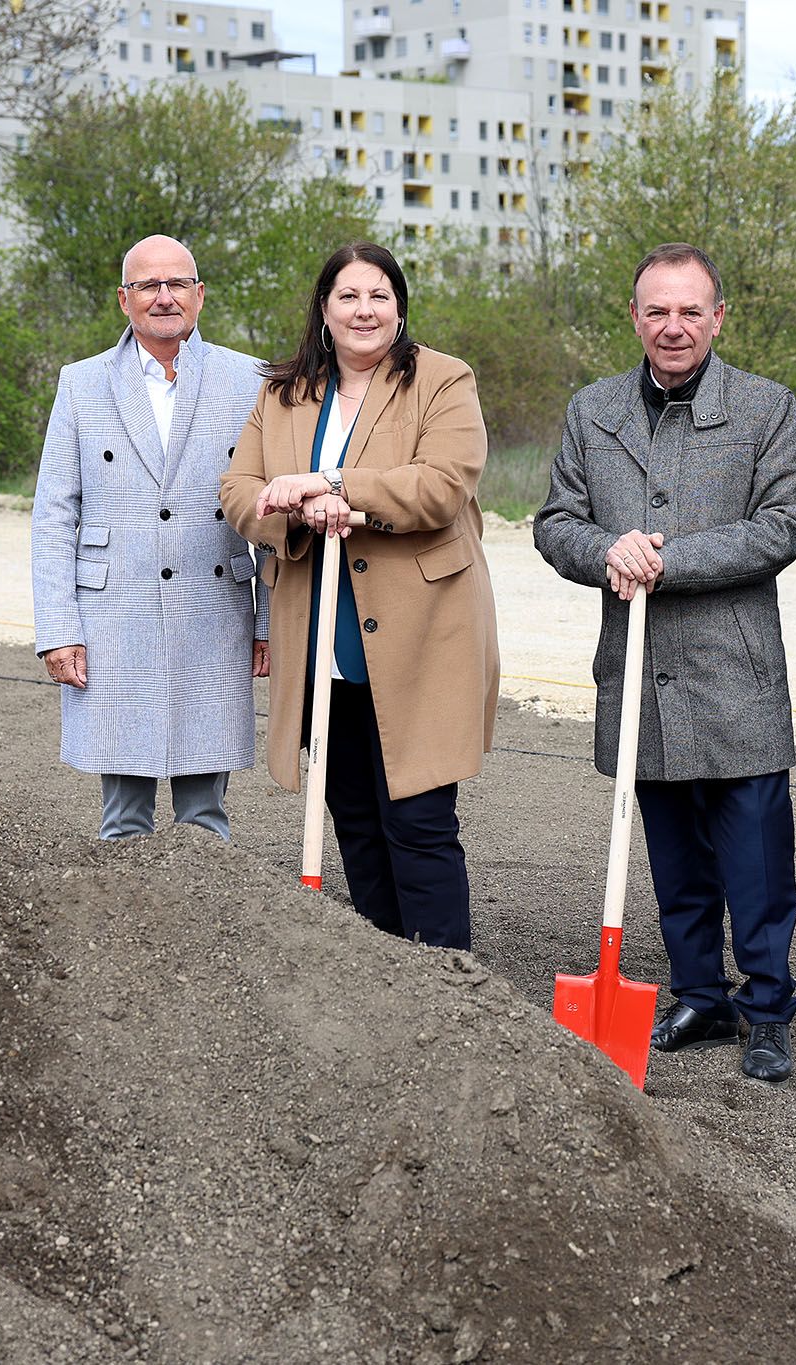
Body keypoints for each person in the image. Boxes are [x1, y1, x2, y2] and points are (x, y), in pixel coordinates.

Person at [534, 243, 796, 1084]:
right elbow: (555, 522)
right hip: (641, 675)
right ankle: (700, 991)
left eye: (691, 310)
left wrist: (666, 559)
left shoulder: (765, 409)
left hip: (735, 676)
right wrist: (605, 548)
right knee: (673, 858)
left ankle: (767, 1008)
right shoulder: (594, 411)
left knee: (756, 862)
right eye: (657, 310)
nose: (674, 326)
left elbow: (783, 524)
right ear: (634, 317)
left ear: (718, 317)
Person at [219, 241, 499, 951]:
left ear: (399, 307)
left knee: (419, 819)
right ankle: (386, 977)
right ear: (323, 308)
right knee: (354, 818)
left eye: (378, 295)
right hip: (322, 638)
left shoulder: (442, 379)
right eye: (348, 296)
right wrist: (296, 512)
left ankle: (447, 985)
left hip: (420, 635)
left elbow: (443, 483)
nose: (364, 310)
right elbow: (239, 492)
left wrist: (335, 485)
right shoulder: (283, 392)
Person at [31, 233, 269, 841]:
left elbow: (268, 513)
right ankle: (123, 933)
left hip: (213, 609)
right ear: (124, 299)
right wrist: (59, 631)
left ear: (200, 294)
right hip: (114, 616)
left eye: (177, 284)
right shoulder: (81, 384)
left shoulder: (250, 380)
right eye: (148, 286)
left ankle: (212, 929)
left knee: (206, 815)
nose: (164, 298)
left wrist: (268, 623)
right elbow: (55, 513)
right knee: (123, 815)